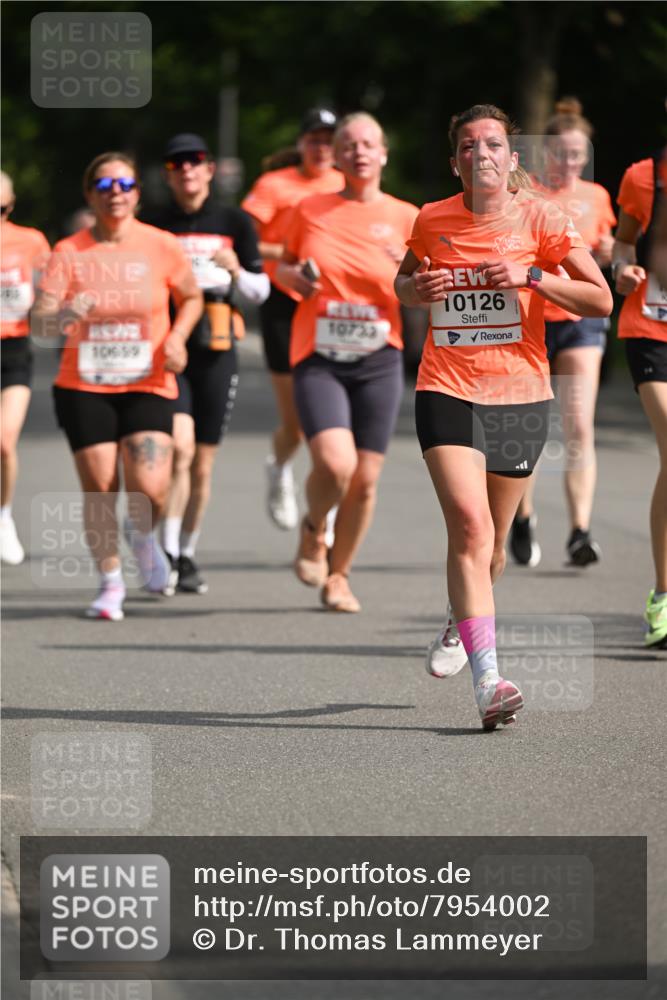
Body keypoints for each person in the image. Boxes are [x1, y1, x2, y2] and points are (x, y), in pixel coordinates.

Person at [395, 104, 612, 729]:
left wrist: (532, 276)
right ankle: (490, 681)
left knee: (491, 544)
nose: (481, 154)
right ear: (455, 162)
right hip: (446, 386)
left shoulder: (543, 217)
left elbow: (599, 298)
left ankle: (459, 618)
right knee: (469, 527)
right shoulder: (431, 218)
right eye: (468, 146)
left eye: (492, 144)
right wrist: (417, 291)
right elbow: (402, 283)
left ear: (512, 158)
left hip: (520, 393)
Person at [32, 152, 203, 620]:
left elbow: (191, 297)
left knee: (151, 487)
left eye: (125, 185)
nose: (116, 194)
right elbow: (41, 321)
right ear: (90, 195)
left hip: (148, 380)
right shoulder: (69, 251)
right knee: (101, 485)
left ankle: (142, 535)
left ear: (137, 194)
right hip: (85, 384)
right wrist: (64, 314)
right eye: (105, 187)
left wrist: (178, 337)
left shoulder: (161, 245)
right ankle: (110, 584)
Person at [275, 111, 418, 613]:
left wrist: (415, 280)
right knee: (336, 465)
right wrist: (293, 279)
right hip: (319, 355)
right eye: (349, 145)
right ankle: (314, 529)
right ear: (336, 155)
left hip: (379, 357)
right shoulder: (309, 208)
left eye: (368, 144)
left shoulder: (408, 217)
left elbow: (427, 285)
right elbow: (281, 266)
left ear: (383, 154)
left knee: (366, 480)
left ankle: (339, 576)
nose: (358, 152)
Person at [146, 133, 269, 594]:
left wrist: (236, 268)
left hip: (217, 347)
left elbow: (261, 291)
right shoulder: (154, 223)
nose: (186, 170)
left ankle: (186, 551)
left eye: (195, 161)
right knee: (178, 450)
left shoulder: (234, 221)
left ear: (210, 169)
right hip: (169, 347)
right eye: (176, 164)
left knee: (201, 464)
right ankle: (166, 550)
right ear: (167, 174)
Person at [510, 98, 616, 568]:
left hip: (580, 323)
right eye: (561, 152)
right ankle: (522, 515)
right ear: (545, 152)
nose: (570, 162)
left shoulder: (597, 197)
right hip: (530, 318)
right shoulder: (524, 192)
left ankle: (580, 531)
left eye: (578, 154)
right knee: (528, 425)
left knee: (578, 426)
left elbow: (606, 252)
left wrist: (611, 253)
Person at [242, 108, 344, 532]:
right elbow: (244, 241)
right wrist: (291, 255)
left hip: (329, 304)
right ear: (301, 143)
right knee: (297, 423)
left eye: (329, 140)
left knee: (333, 419)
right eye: (314, 139)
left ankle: (327, 509)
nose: (322, 147)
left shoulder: (345, 184)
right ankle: (280, 467)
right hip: (283, 303)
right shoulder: (274, 184)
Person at [613, 150, 667, 649]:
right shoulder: (643, 176)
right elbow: (624, 242)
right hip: (651, 330)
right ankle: (664, 596)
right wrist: (621, 269)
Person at [0, 170, 50, 564]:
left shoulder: (31, 241)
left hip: (13, 350)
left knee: (4, 442)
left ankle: (3, 518)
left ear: (11, 206)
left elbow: (51, 290)